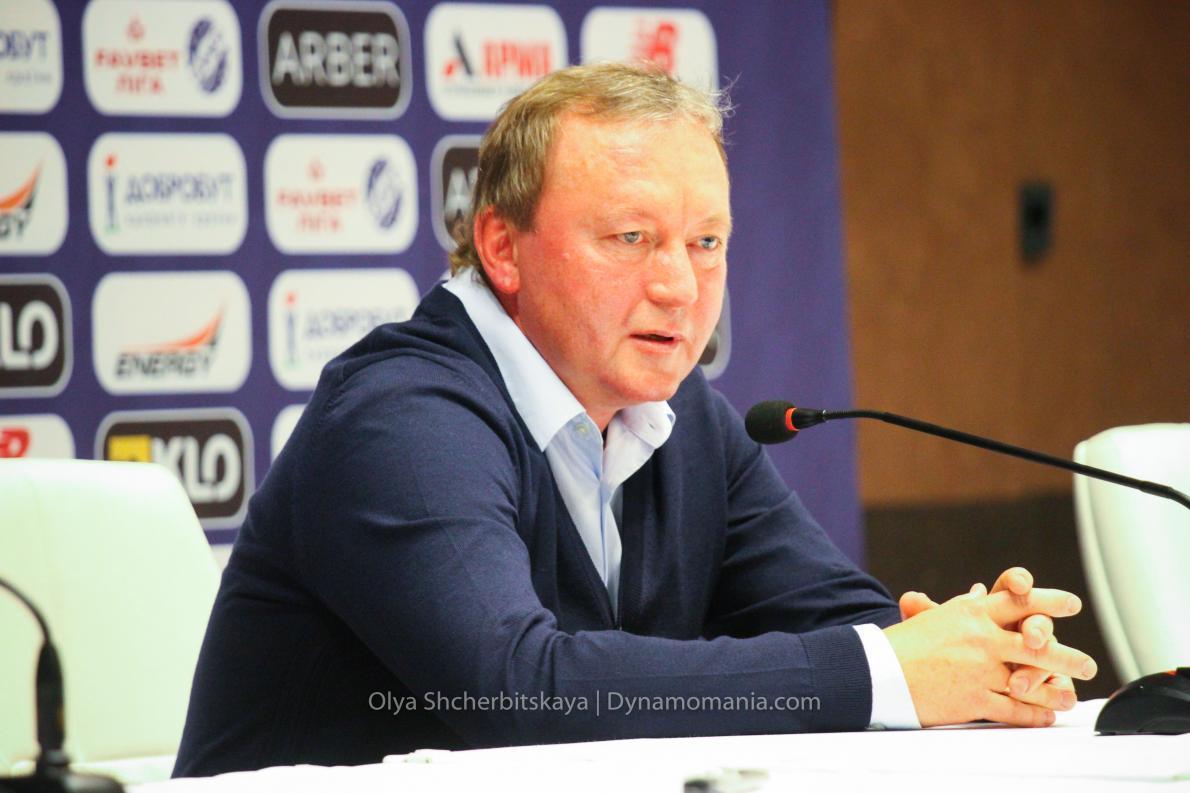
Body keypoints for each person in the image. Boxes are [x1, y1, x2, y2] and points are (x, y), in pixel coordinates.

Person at [173, 63, 1095, 777]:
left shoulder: (682, 418)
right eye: (631, 238)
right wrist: (890, 671)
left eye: (706, 242)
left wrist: (978, 654)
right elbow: (518, 690)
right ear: (502, 247)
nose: (681, 286)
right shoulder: (398, 420)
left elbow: (843, 619)